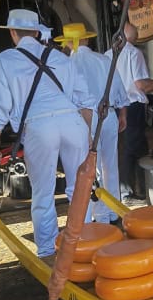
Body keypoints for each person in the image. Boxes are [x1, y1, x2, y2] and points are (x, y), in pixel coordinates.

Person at [0, 9, 95, 260]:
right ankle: (84, 240)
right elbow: (85, 101)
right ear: (36, 32)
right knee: (80, 188)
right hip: (73, 122)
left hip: (39, 126)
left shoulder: (3, 61)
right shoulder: (61, 58)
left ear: (12, 33)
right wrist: (87, 134)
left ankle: (46, 250)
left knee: (43, 192)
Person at [55, 23, 130, 223]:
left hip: (83, 117)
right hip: (109, 113)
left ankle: (97, 215)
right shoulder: (104, 60)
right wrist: (122, 114)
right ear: (86, 39)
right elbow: (119, 88)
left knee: (89, 166)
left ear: (68, 43)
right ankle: (112, 211)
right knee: (110, 164)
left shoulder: (67, 65)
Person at [108, 22, 153, 202]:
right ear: (132, 38)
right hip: (132, 105)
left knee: (120, 148)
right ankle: (134, 190)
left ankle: (128, 189)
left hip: (114, 107)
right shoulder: (134, 53)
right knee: (135, 149)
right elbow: (140, 84)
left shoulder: (107, 55)